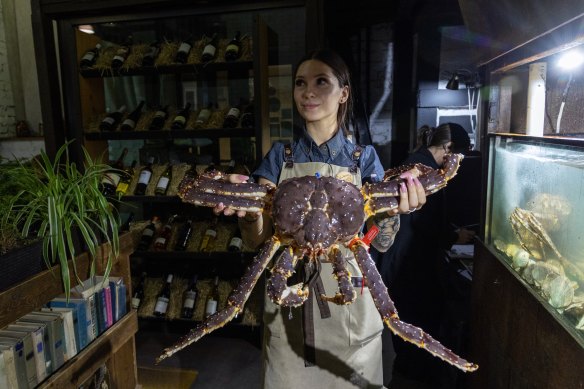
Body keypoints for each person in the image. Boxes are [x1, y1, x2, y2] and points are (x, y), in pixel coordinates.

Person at [213, 48, 427, 389]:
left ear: (343, 93)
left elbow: (383, 242)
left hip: (351, 304)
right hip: (289, 300)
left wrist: (397, 208)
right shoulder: (278, 158)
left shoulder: (364, 160)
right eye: (300, 83)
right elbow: (257, 239)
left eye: (321, 82)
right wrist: (250, 212)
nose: (308, 91)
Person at [378, 122, 476, 387]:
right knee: (413, 335)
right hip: (409, 266)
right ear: (448, 149)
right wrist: (454, 236)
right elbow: (425, 222)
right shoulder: (421, 170)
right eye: (458, 157)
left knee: (410, 333)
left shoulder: (418, 162)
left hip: (405, 264)